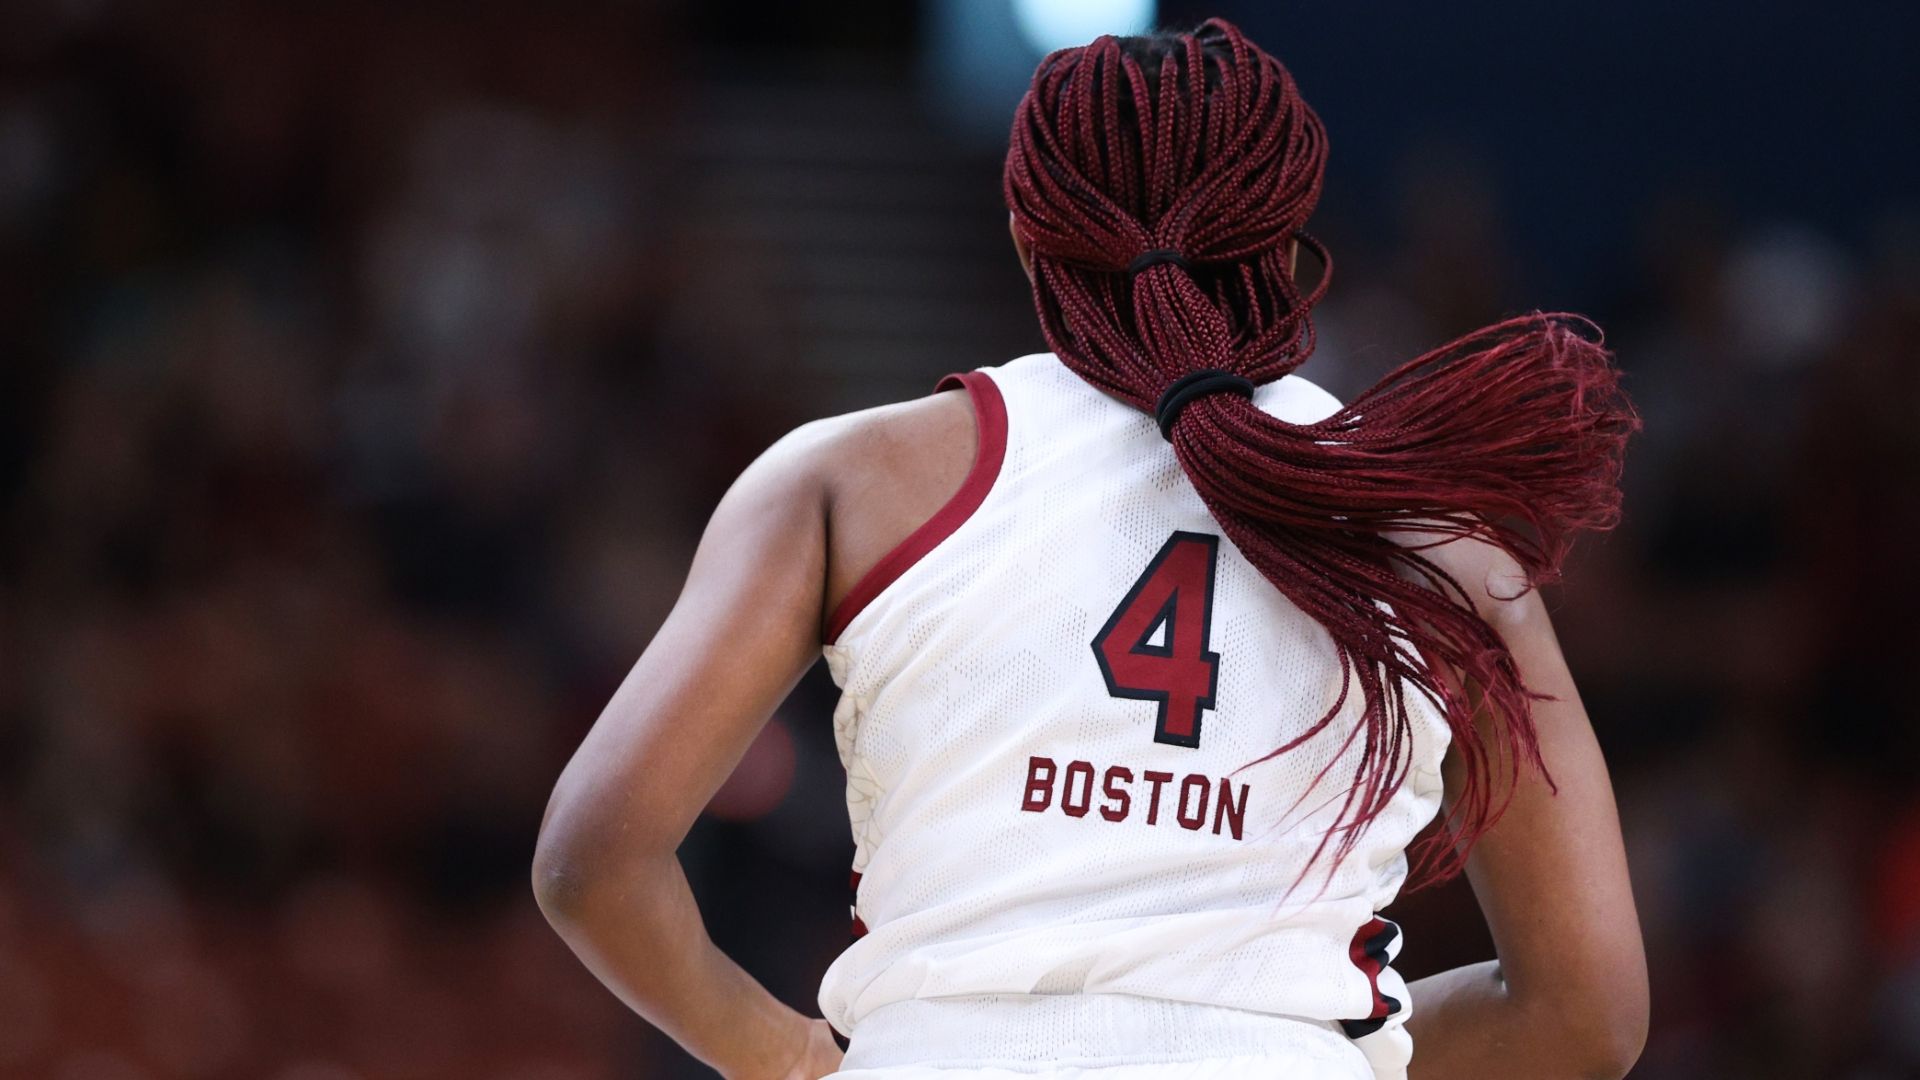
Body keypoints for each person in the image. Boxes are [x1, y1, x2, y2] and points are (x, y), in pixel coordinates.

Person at [532, 18, 1647, 1080]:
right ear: (1293, 235)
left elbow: (592, 864)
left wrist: (775, 1053)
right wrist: (1317, 1048)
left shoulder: (845, 481)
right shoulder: (1428, 531)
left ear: (1027, 236)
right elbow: (1585, 1016)